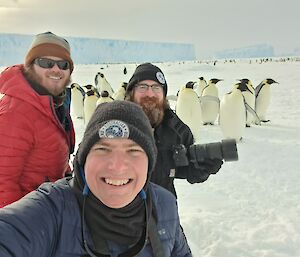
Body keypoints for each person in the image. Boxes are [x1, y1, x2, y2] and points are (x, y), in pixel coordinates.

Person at [0, 101, 192, 257]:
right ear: (84, 159)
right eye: (102, 149)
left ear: (149, 163)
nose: (117, 165)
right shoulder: (54, 208)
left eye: (133, 151)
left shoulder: (164, 205)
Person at [125, 63, 223, 198]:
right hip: (120, 214)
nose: (150, 93)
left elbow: (183, 168)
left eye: (156, 88)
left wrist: (202, 167)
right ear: (131, 92)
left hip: (164, 209)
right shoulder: (114, 125)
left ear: (163, 94)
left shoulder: (175, 128)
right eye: (143, 87)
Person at [0, 31, 75, 207]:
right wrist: (16, 228)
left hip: (47, 209)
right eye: (46, 63)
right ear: (30, 66)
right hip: (29, 218)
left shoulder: (52, 104)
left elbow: (50, 153)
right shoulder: (17, 112)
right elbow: (3, 181)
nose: (56, 69)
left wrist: (68, 177)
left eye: (63, 64)